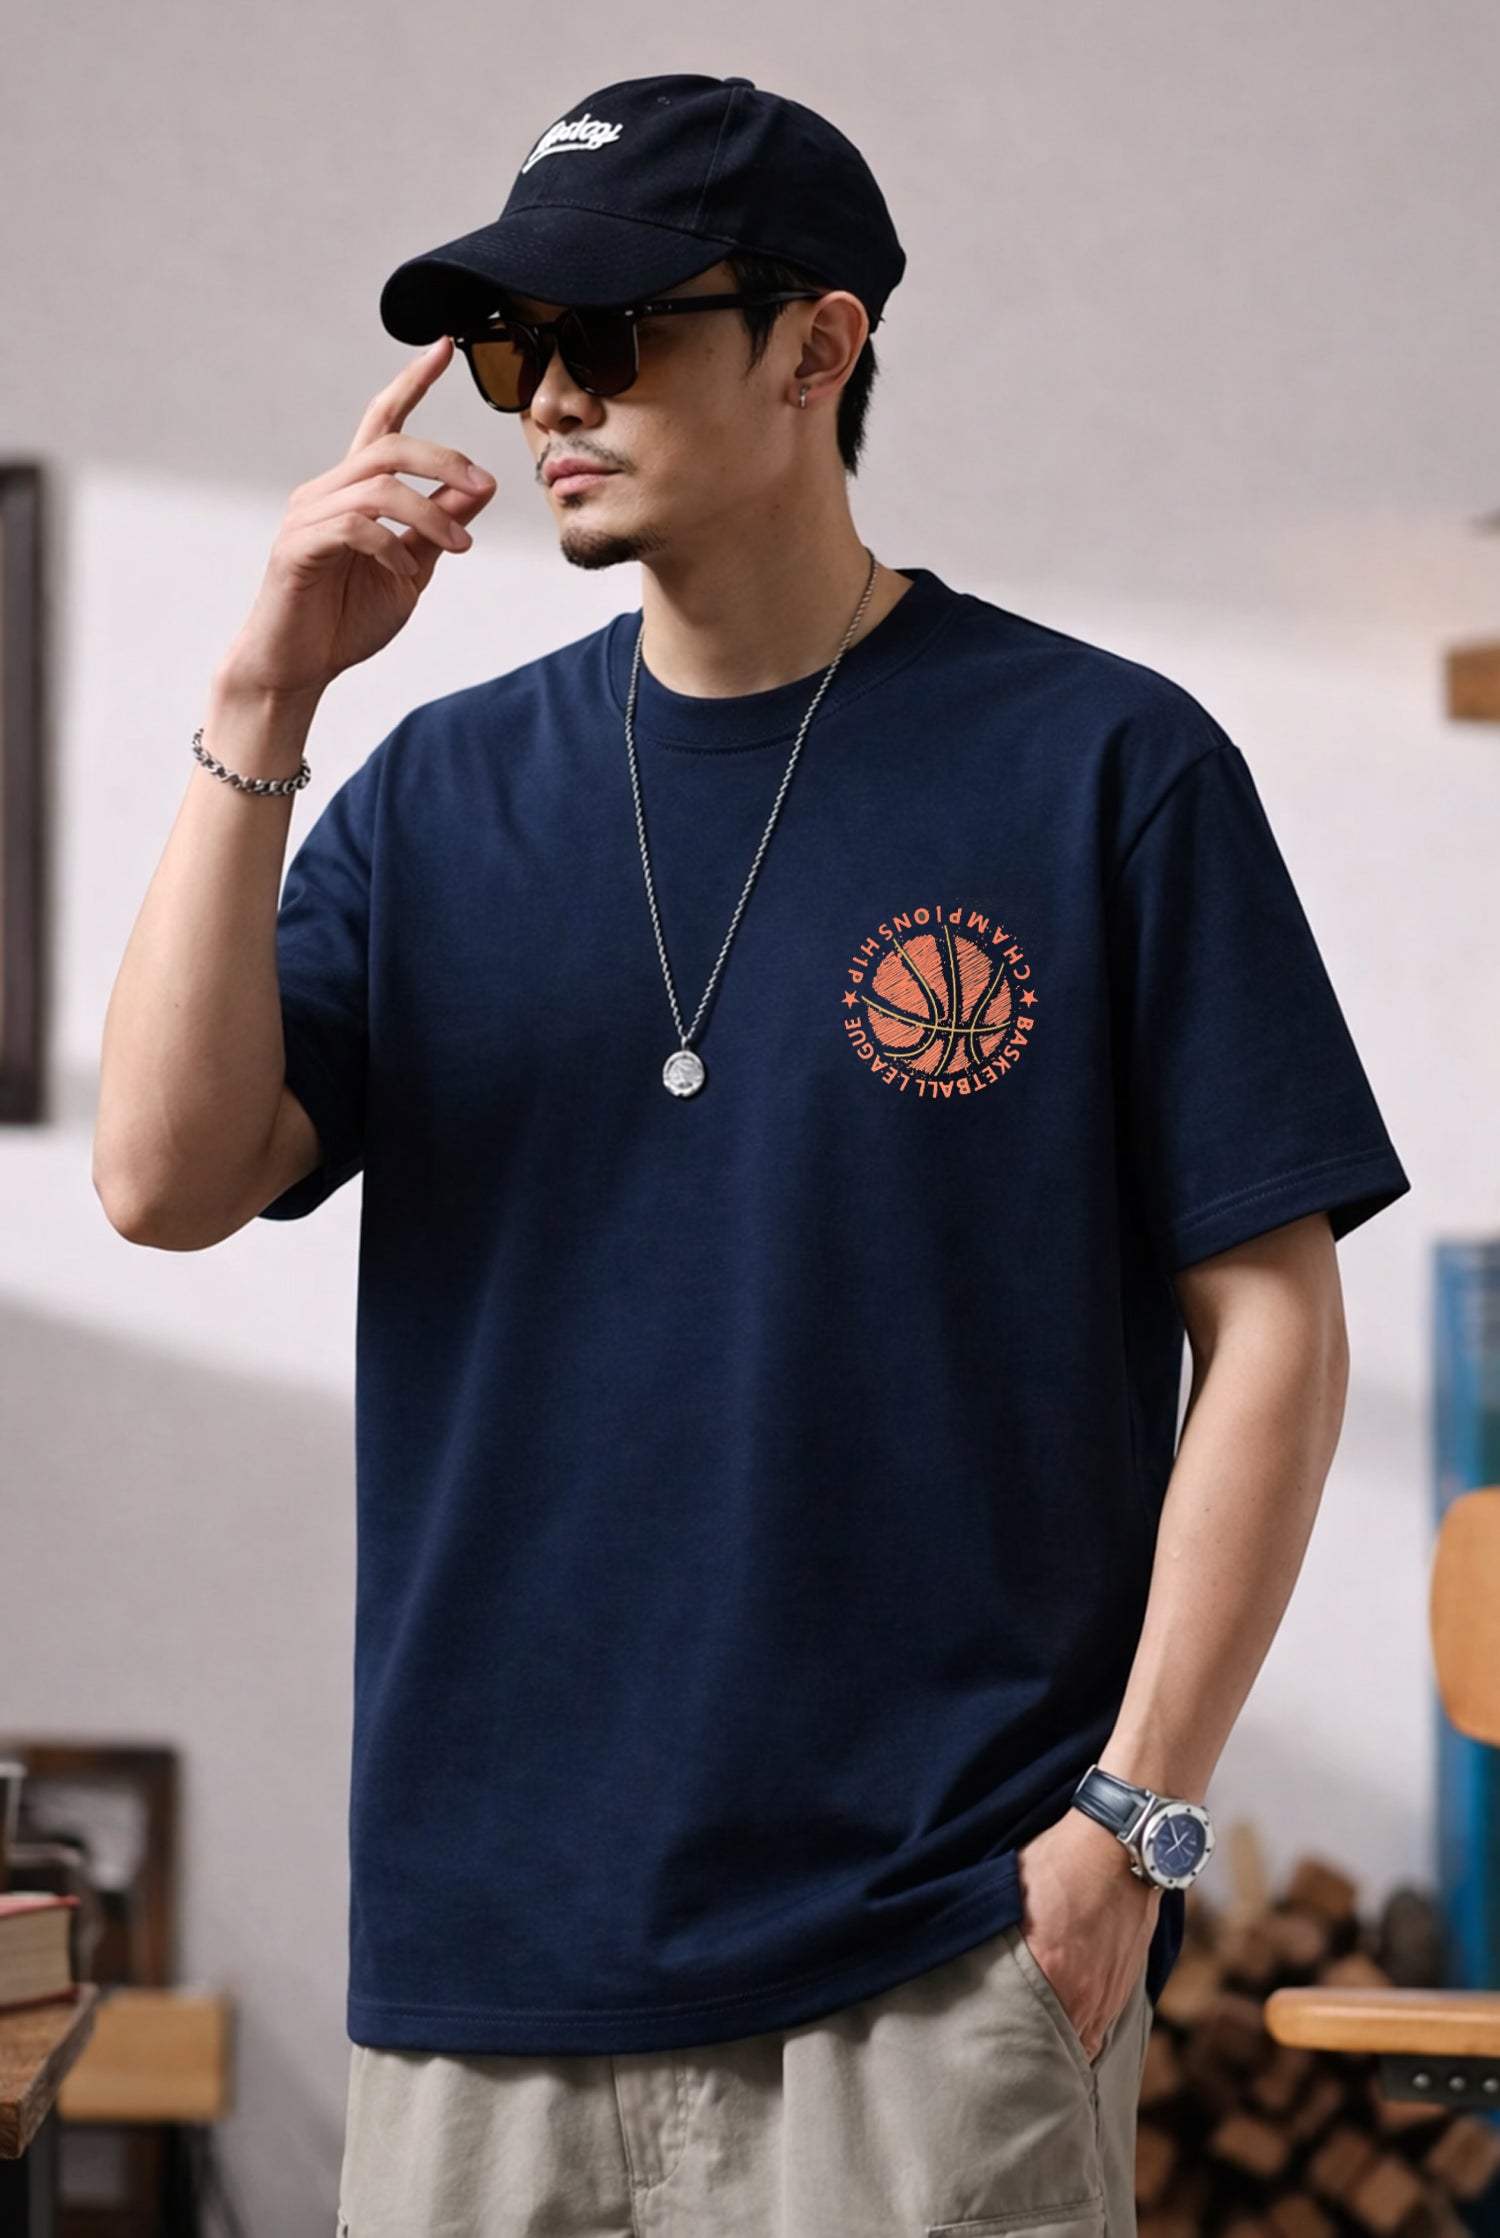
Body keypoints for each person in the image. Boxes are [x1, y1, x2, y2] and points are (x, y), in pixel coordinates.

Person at [93, 70, 1411, 2238]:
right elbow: (162, 1181)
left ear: (819, 345)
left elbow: (1273, 1327)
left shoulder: (1107, 772)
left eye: (610, 336)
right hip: (487, 1973)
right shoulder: (435, 800)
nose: (549, 400)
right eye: (514, 348)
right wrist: (262, 701)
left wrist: (1131, 1827)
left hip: (937, 1960)